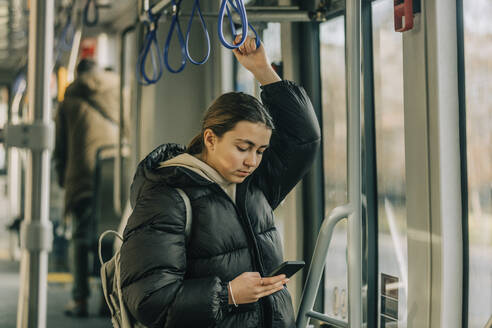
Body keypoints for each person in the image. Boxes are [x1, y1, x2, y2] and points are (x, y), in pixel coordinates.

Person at [119, 36, 321, 328]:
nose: (252, 161)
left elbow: (304, 138)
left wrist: (263, 70)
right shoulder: (167, 198)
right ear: (210, 138)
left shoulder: (253, 188)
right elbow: (149, 299)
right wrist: (228, 295)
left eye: (260, 151)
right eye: (243, 147)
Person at [53, 58, 120, 317]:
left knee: (80, 240)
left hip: (82, 175)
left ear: (79, 74)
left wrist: (63, 177)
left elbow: (61, 147)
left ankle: (80, 300)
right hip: (113, 171)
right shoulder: (119, 90)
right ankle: (108, 301)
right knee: (110, 237)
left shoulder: (69, 100)